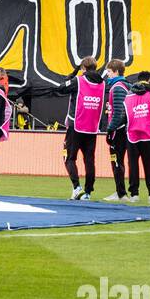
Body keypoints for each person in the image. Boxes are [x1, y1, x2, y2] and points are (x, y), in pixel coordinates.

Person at [61, 57, 105, 200]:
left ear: (83, 68)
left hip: (76, 125)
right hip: (92, 128)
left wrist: (74, 72)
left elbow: (61, 88)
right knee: (89, 160)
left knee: (68, 157)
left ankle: (76, 186)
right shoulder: (102, 83)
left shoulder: (78, 81)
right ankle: (87, 192)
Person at [124, 71, 150, 204]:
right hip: (149, 134)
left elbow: (125, 114)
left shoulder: (129, 94)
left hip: (132, 134)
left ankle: (134, 194)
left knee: (133, 165)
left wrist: (111, 128)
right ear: (149, 80)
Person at [97, 60, 130, 201]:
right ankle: (121, 192)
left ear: (116, 72)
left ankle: (121, 193)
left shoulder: (117, 87)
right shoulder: (125, 85)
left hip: (119, 131)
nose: (107, 75)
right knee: (119, 161)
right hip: (123, 130)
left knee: (116, 160)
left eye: (109, 72)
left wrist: (110, 130)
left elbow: (119, 113)